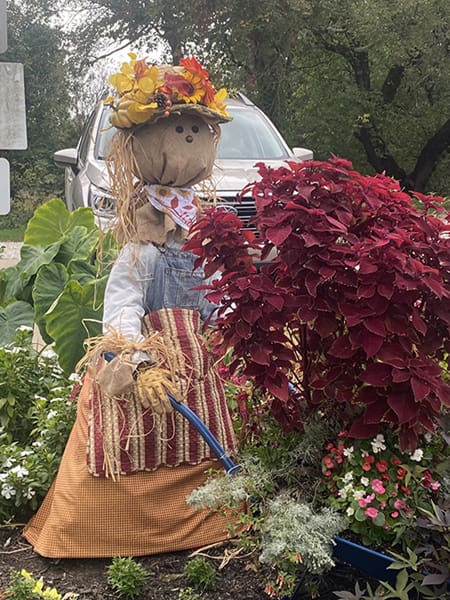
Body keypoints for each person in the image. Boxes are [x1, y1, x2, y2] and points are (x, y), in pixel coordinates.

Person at [23, 54, 237, 558]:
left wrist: (231, 330)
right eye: (178, 128)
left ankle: (214, 523)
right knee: (122, 438)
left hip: (201, 361)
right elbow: (122, 304)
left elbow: (218, 294)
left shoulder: (202, 232)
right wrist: (136, 361)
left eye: (196, 130)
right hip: (150, 360)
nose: (189, 139)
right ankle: (105, 535)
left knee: (215, 433)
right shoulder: (142, 246)